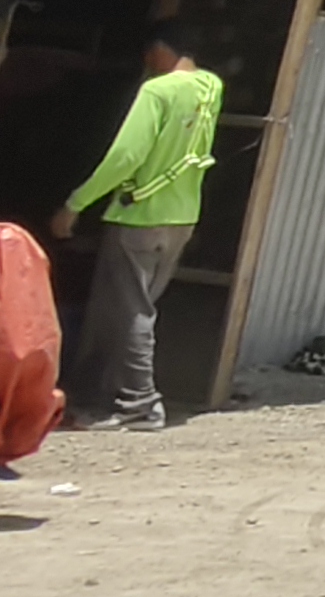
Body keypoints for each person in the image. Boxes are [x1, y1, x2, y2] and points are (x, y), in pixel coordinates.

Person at [54, 22, 222, 432]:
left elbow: (126, 156)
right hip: (181, 216)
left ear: (163, 50)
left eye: (150, 55)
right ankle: (101, 396)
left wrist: (75, 204)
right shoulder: (210, 87)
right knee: (129, 309)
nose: (147, 64)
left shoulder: (158, 91)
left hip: (139, 217)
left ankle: (141, 404)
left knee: (132, 313)